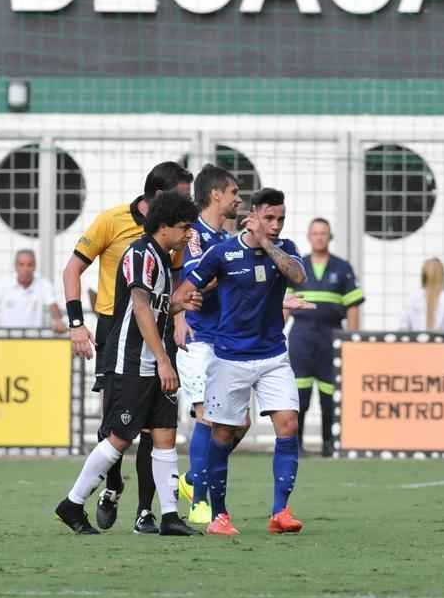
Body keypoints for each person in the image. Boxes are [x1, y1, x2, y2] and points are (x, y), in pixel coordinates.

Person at [55, 191, 203, 536]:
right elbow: (139, 308)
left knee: (165, 434)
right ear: (164, 226)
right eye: (184, 228)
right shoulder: (140, 254)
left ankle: (169, 516)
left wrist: (177, 304)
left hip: (154, 360)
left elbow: (152, 307)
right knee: (121, 437)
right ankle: (73, 503)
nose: (187, 235)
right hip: (135, 361)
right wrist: (164, 360)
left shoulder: (162, 256)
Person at [174, 187, 316, 537]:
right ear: (253, 216)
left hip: (272, 356)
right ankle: (219, 515)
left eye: (280, 219)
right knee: (223, 433)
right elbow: (186, 288)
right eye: (269, 218)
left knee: (288, 426)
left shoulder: (287, 251)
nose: (276, 225)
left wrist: (267, 243)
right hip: (229, 358)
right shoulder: (223, 253)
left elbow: (298, 277)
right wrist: (181, 308)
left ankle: (280, 511)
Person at [172, 165, 243, 525]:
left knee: (239, 423)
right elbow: (194, 281)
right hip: (197, 338)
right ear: (216, 194)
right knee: (207, 416)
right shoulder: (193, 235)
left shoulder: (230, 240)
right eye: (234, 193)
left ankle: (191, 479)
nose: (239, 199)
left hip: (227, 341)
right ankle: (200, 501)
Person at [286, 218, 363, 456]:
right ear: (309, 237)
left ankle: (329, 444)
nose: (319, 237)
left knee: (331, 396)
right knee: (300, 395)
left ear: (329, 237)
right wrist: (274, 334)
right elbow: (286, 305)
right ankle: (296, 444)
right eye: (315, 233)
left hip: (331, 338)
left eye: (324, 233)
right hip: (302, 337)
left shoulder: (342, 268)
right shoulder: (298, 267)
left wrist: (350, 340)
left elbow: (352, 307)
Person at [400, 257, 444, 332]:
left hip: (417, 342)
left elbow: (403, 327)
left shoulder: (414, 297)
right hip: (441, 342)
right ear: (442, 275)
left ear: (423, 276)